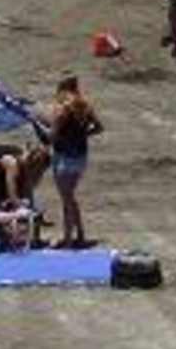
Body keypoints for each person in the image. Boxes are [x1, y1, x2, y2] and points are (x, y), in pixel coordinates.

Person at [45, 75, 102, 247]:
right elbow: (99, 127)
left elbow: (52, 136)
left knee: (67, 200)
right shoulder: (85, 106)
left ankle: (68, 239)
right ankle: (80, 235)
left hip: (64, 157)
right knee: (69, 197)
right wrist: (82, 135)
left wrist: (44, 130)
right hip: (80, 157)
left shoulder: (63, 108)